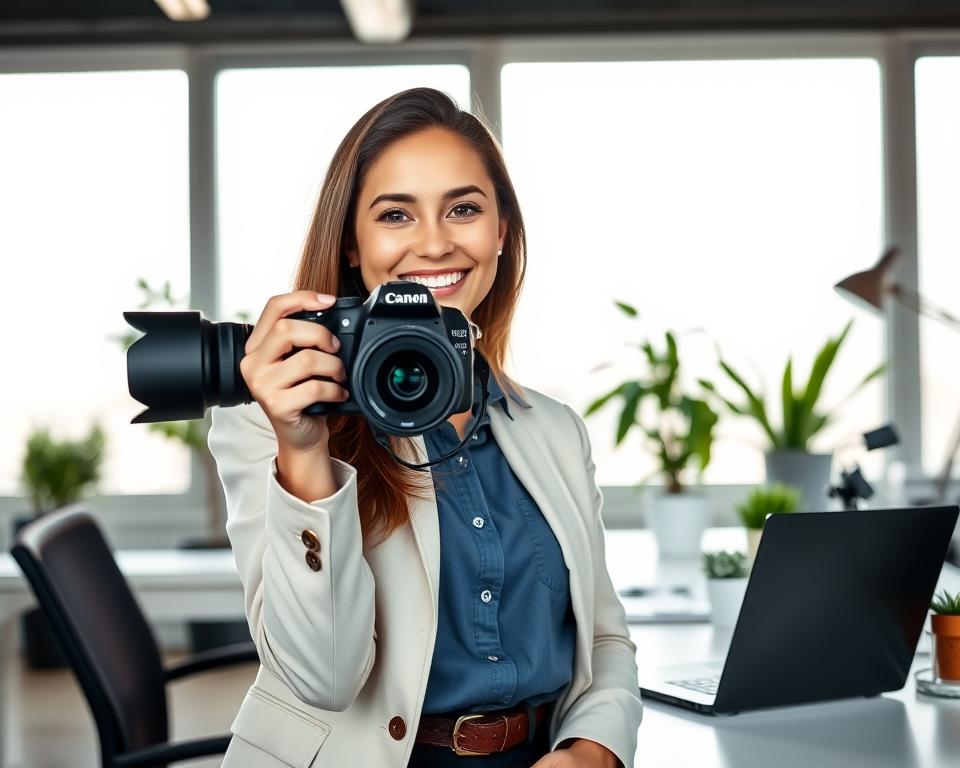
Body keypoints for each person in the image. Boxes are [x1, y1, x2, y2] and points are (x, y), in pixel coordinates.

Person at [207, 86, 643, 768]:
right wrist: (304, 449)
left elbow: (605, 641)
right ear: (353, 243)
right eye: (396, 214)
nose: (435, 241)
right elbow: (320, 679)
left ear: (502, 232)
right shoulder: (265, 424)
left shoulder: (554, 430)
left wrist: (591, 751)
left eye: (464, 209)